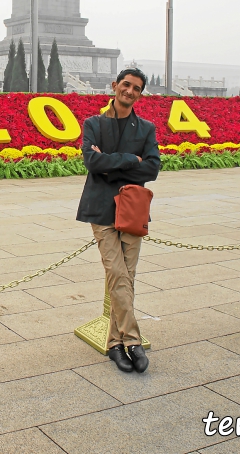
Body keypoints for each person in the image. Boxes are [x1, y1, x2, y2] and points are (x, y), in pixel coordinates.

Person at [76, 68, 160, 373]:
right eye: (126, 85)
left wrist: (112, 163)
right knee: (117, 271)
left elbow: (152, 169)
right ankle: (133, 341)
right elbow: (91, 161)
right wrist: (130, 160)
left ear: (140, 94)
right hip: (101, 208)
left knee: (125, 277)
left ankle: (115, 344)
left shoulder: (146, 128)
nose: (130, 91)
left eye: (136, 88)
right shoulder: (94, 124)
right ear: (115, 86)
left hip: (133, 208)